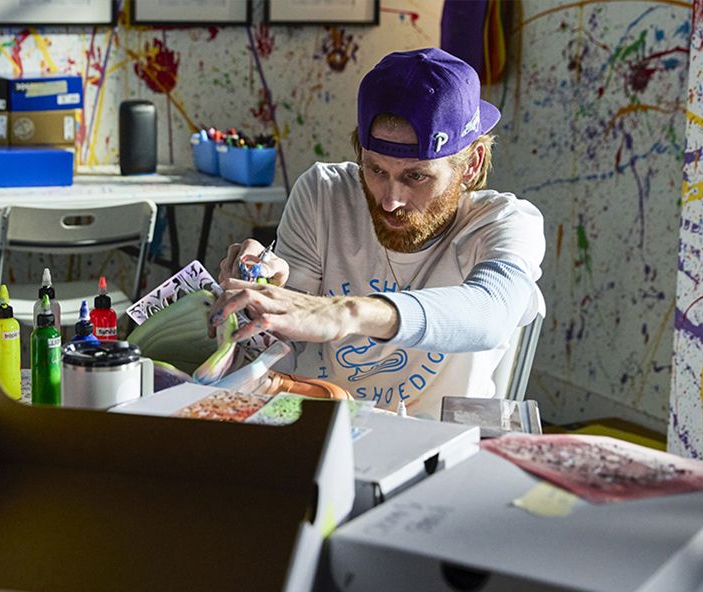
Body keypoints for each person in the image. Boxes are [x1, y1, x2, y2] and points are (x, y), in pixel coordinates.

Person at [211, 48, 545, 418]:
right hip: (320, 430)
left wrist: (347, 312)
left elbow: (492, 311)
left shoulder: (506, 222)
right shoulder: (325, 194)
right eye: (376, 170)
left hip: (437, 449)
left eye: (416, 176)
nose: (389, 201)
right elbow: (283, 335)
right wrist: (261, 287)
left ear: (471, 165)